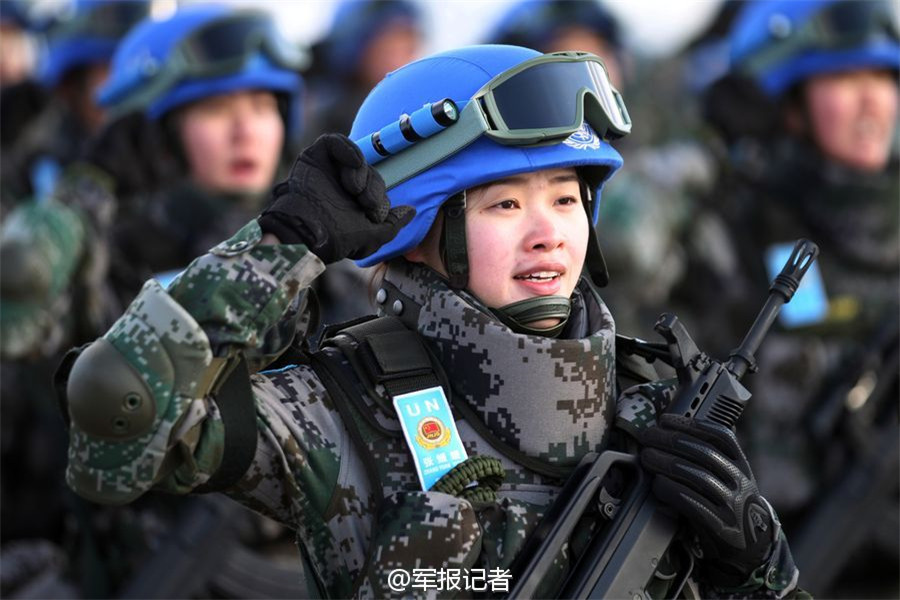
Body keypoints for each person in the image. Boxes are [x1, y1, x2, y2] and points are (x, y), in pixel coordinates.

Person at [60, 44, 805, 598]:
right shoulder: (341, 407)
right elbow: (116, 422)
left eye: (566, 198)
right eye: (505, 204)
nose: (548, 233)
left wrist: (760, 565)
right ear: (418, 231)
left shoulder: (654, 406)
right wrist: (282, 247)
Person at [674, 1, 899, 596]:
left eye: (883, 77)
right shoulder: (727, 234)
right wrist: (709, 146)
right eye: (843, 78)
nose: (872, 102)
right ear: (789, 104)